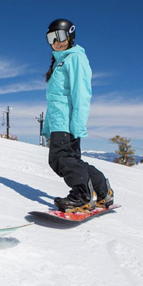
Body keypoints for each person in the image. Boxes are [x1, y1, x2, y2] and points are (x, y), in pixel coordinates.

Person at [42, 19, 114, 213]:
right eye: (52, 37)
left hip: (66, 123)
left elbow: (81, 94)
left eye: (61, 36)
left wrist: (78, 125)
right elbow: (56, 100)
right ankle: (103, 190)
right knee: (72, 160)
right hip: (60, 122)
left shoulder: (75, 58)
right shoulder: (61, 62)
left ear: (71, 36)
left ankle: (82, 196)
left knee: (60, 159)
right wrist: (48, 127)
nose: (57, 41)